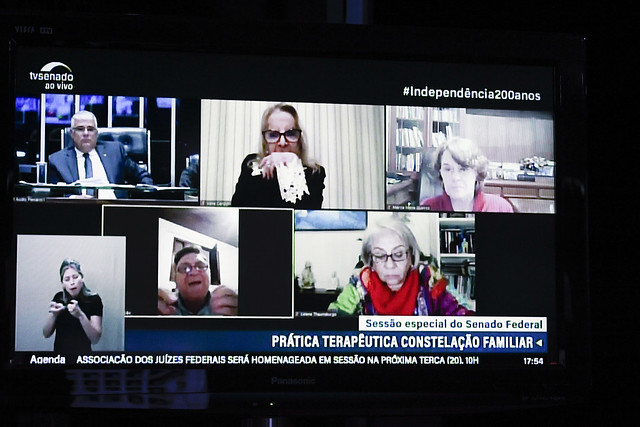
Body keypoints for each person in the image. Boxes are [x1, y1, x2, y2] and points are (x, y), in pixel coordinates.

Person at [328, 216, 474, 316]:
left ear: (412, 256)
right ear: (371, 260)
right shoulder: (360, 284)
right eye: (380, 255)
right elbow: (333, 320)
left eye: (398, 254)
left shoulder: (430, 280)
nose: (390, 265)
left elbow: (463, 316)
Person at [231, 103, 325, 208]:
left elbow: (305, 215)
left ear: (300, 140)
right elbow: (237, 209)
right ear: (265, 141)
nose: (282, 142)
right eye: (273, 135)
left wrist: (293, 168)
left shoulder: (314, 173)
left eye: (291, 134)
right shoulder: (252, 166)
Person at [48, 110, 153, 189]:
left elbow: (143, 176)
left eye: (90, 129)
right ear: (72, 133)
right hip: (77, 208)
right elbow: (54, 194)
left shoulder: (115, 152)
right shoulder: (57, 160)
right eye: (80, 129)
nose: (86, 133)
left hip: (112, 208)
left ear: (96, 133)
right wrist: (72, 198)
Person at [420, 137, 513, 212]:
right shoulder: (428, 207)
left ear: (477, 172)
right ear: (440, 173)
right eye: (448, 169)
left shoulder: (501, 207)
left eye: (463, 169)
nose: (455, 177)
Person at [43, 259, 103, 353]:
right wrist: (54, 315)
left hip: (83, 357)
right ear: (63, 284)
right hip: (60, 357)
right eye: (67, 279)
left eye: (75, 277)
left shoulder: (94, 300)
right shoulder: (59, 298)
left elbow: (95, 339)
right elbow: (46, 334)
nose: (72, 282)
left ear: (82, 278)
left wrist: (81, 316)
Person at [157, 246, 238, 316]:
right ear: (175, 277)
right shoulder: (166, 308)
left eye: (200, 266)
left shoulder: (228, 304)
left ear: (209, 273)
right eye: (184, 268)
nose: (194, 272)